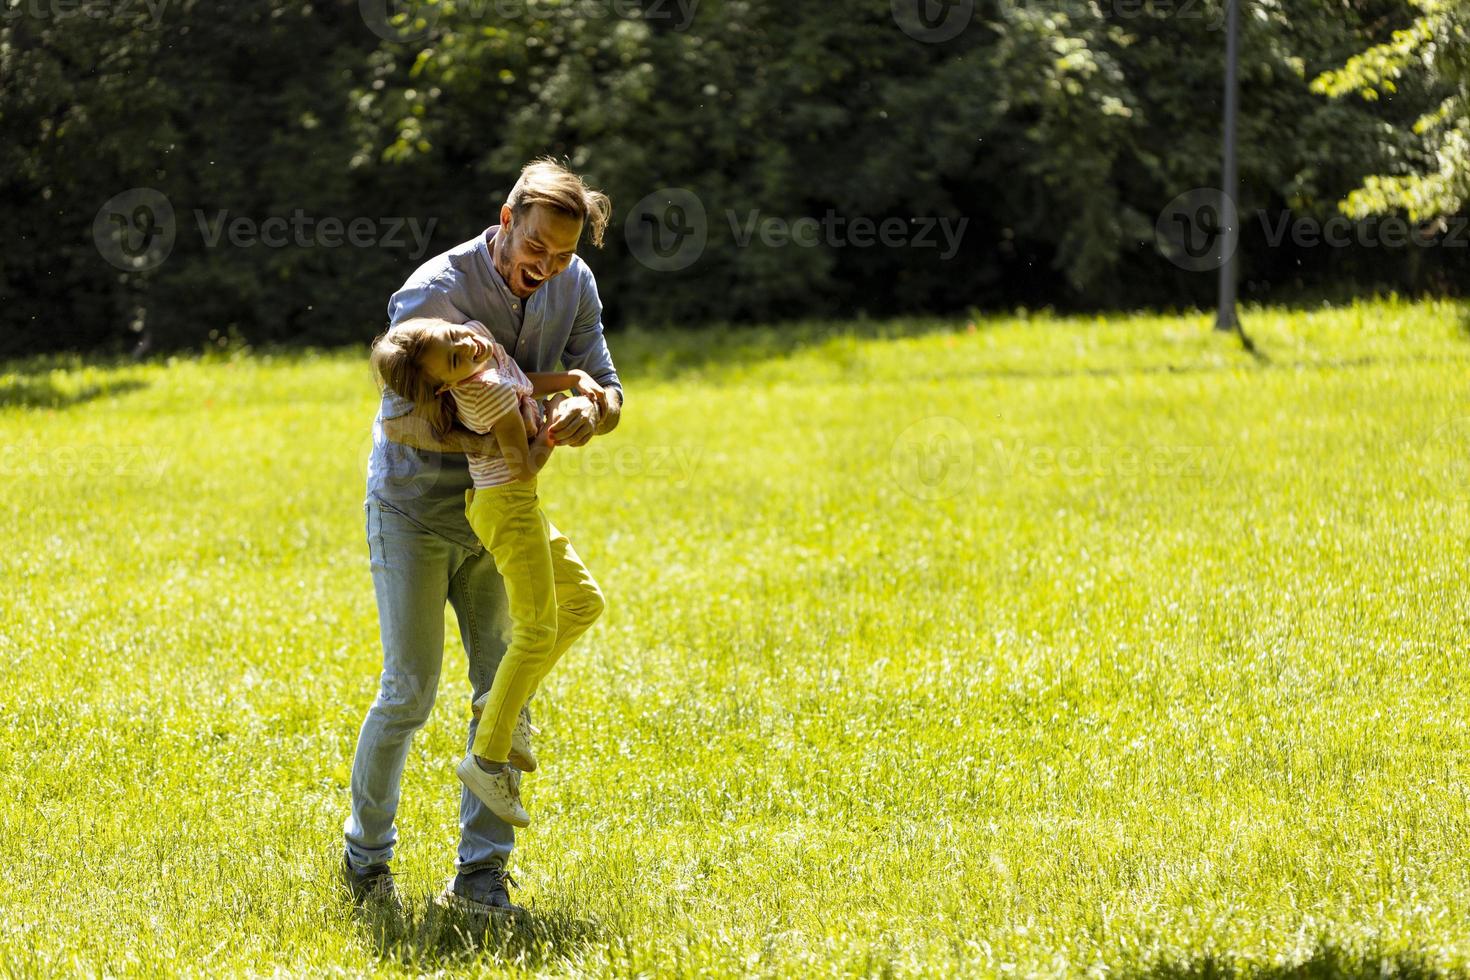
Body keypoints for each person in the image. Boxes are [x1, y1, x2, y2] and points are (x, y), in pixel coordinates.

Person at [341, 159, 624, 915]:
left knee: (501, 685)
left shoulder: (574, 286)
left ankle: (481, 879)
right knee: (408, 692)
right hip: (414, 510)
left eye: (564, 255)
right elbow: (397, 418)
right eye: (537, 246)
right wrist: (495, 435)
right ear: (506, 221)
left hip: (498, 521)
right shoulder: (434, 291)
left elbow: (604, 380)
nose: (548, 266)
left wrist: (590, 413)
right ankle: (366, 867)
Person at [368, 316, 607, 828]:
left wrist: (572, 381)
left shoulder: (477, 343)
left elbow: (520, 374)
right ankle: (486, 760)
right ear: (445, 386)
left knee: (585, 602)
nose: (469, 345)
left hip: (517, 504)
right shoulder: (486, 396)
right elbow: (524, 465)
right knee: (537, 630)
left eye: (457, 336)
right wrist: (552, 430)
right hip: (507, 506)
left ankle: (502, 698)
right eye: (455, 358)